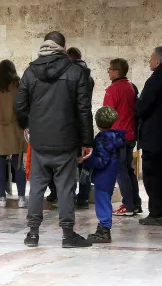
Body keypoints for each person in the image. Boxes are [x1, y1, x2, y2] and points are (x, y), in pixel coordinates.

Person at [16, 31, 94, 248]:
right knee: (66, 188)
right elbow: (83, 109)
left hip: (40, 141)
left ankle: (32, 234)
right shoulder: (76, 71)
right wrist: (87, 141)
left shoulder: (30, 72)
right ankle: (68, 236)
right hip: (67, 141)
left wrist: (28, 126)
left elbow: (20, 107)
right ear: (63, 47)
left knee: (37, 188)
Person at [47, 47, 95, 206]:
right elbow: (85, 107)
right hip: (83, 125)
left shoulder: (72, 75)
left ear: (70, 58)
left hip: (70, 126)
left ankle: (67, 198)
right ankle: (83, 198)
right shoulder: (88, 76)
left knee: (67, 165)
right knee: (83, 165)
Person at [135, 47, 162, 226]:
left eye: (151, 59)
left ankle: (157, 213)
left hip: (154, 137)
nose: (149, 62)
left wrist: (136, 103)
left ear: (158, 61)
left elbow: (143, 108)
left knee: (153, 176)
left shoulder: (156, 80)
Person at [103, 58, 142, 216]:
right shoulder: (130, 87)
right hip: (131, 134)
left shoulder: (113, 89)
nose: (108, 72)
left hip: (118, 135)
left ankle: (128, 205)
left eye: (110, 69)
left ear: (117, 72)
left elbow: (107, 114)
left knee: (120, 170)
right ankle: (136, 203)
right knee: (128, 169)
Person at [81, 107, 125, 243]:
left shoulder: (103, 139)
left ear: (98, 124)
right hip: (110, 175)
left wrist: (86, 159)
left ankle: (104, 231)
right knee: (104, 201)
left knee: (102, 203)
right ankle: (103, 228)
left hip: (103, 177)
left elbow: (101, 162)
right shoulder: (115, 136)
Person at [0, 60, 27, 208]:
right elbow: (23, 106)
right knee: (18, 164)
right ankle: (21, 198)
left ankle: (2, 198)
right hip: (15, 127)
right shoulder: (18, 86)